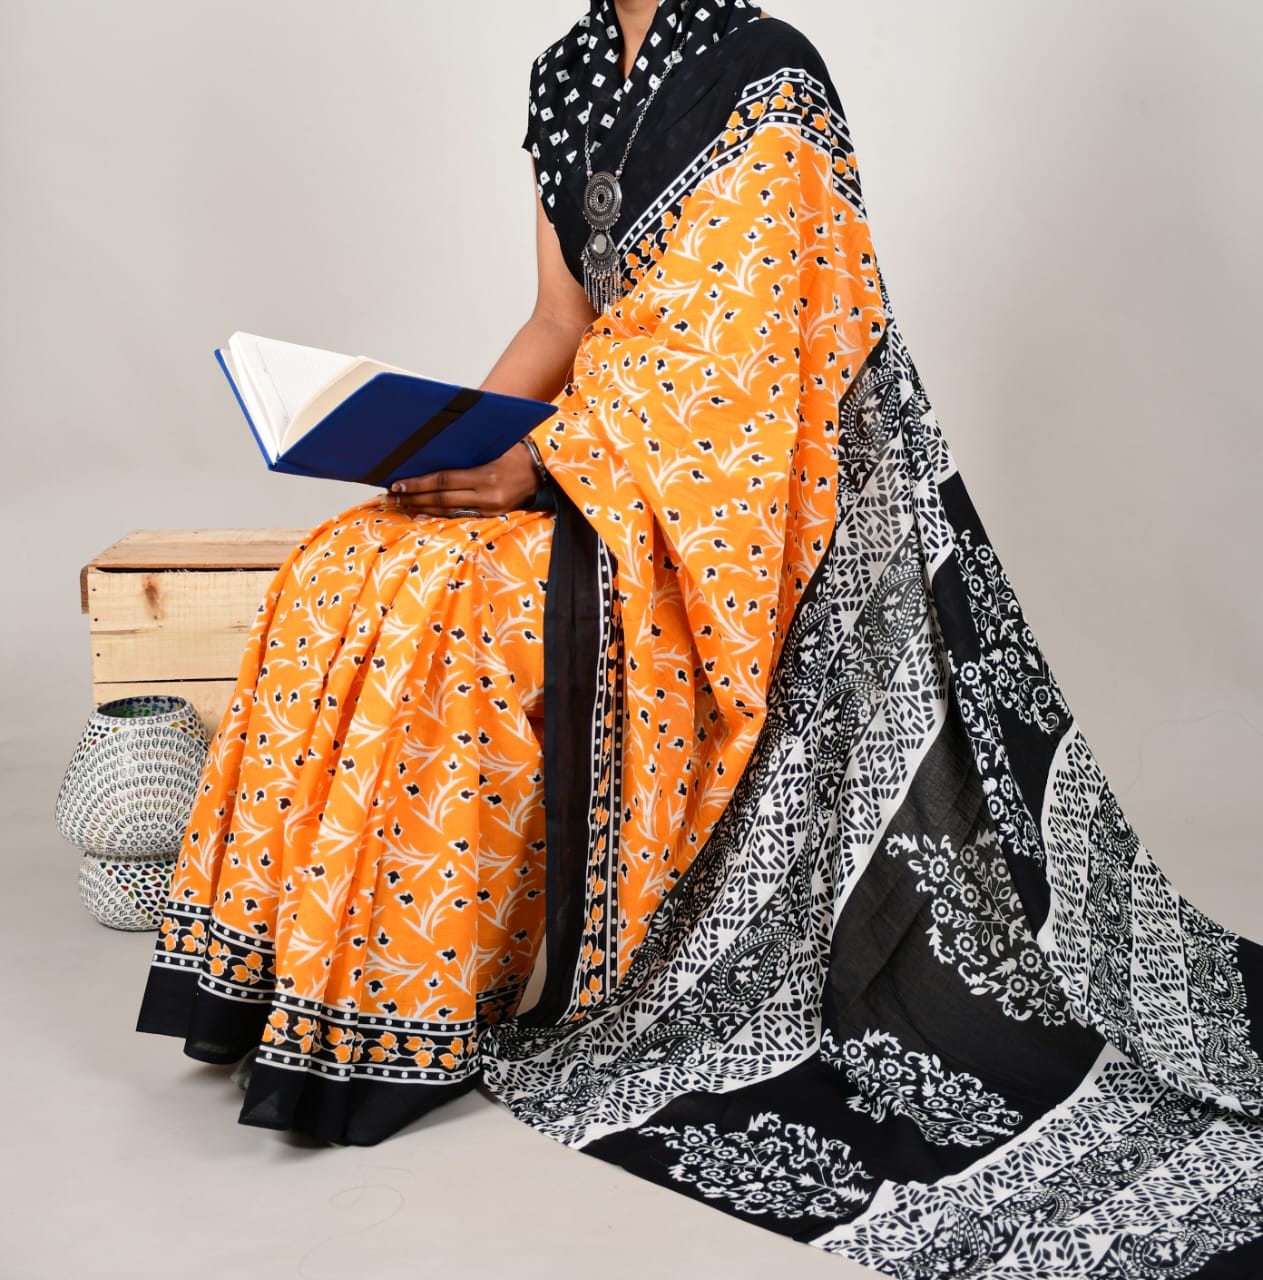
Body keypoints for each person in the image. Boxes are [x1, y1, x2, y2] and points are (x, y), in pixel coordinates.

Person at [139, 0, 1263, 1272]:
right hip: (600, 465)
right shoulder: (562, 75)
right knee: (347, 564)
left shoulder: (767, 74)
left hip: (728, 502)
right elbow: (561, 323)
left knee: (462, 605)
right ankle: (303, 989)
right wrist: (446, 445)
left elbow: (750, 370)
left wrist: (544, 466)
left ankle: (406, 1015)